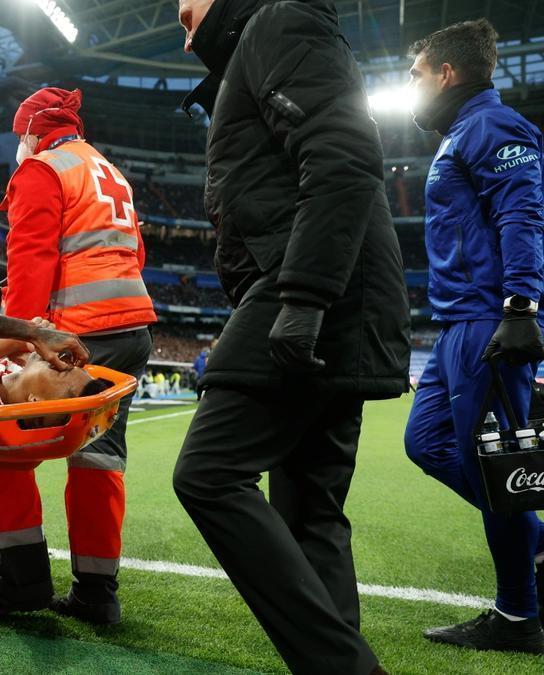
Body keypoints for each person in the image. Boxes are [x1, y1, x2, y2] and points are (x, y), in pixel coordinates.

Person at [172, 0, 410, 673]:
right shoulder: (265, 42)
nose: (185, 40)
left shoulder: (278, 23)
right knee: (312, 510)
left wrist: (302, 297)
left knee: (208, 473)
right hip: (340, 296)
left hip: (316, 292)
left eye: (186, 17)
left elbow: (341, 154)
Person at [0, 86, 155, 626]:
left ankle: (23, 577)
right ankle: (97, 593)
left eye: (18, 137)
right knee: (99, 457)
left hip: (76, 333)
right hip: (131, 329)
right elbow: (136, 253)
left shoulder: (43, 169)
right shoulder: (107, 170)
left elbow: (30, 259)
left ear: (31, 131)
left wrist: (16, 334)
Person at [402, 19, 544, 654]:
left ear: (446, 74)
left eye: (417, 73)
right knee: (426, 440)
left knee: (497, 468)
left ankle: (518, 615)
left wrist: (521, 304)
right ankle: (534, 541)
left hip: (489, 319)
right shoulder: (461, 132)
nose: (412, 84)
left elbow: (522, 210)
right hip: (457, 324)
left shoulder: (492, 126)